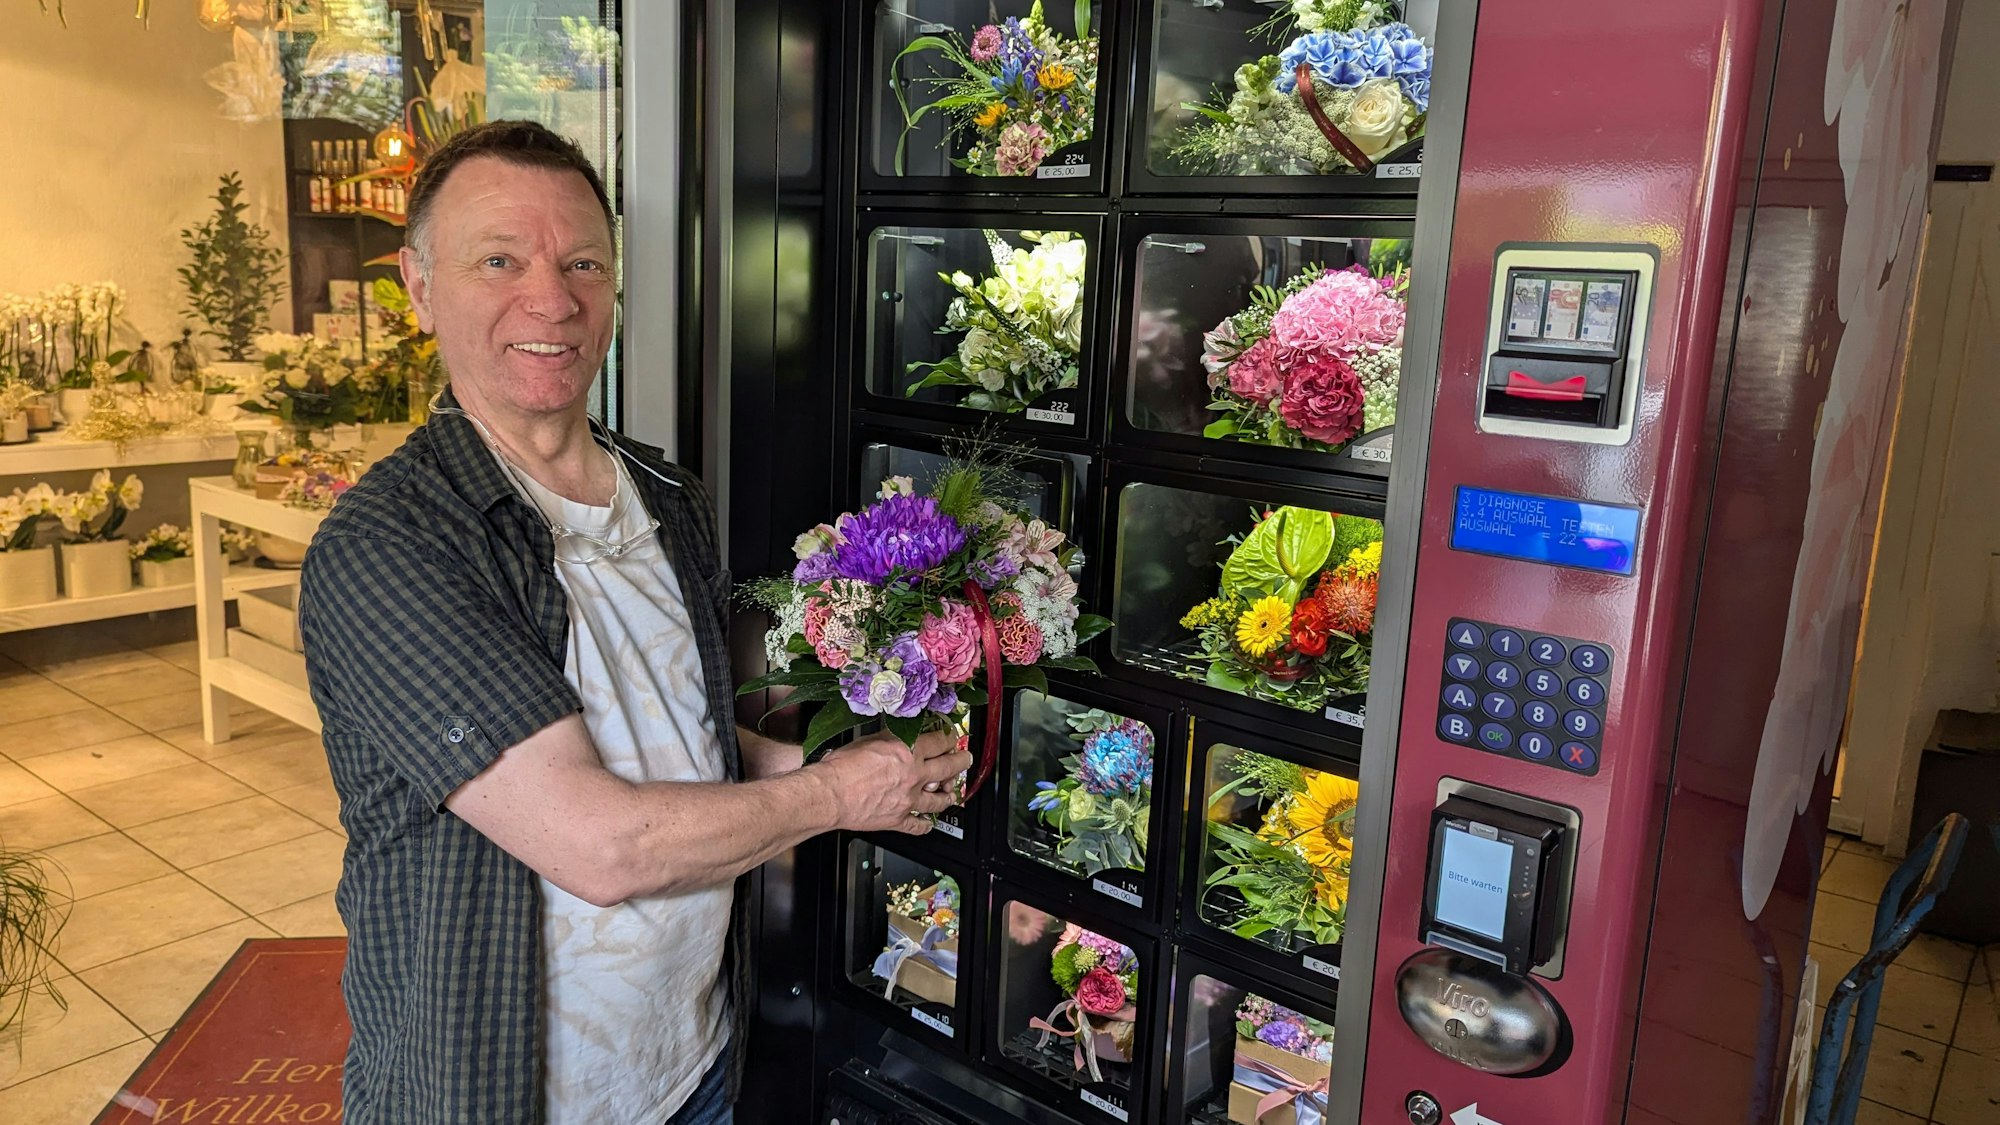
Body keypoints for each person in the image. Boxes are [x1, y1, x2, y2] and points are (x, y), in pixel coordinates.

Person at [298, 120, 968, 1125]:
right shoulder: (390, 544)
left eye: (582, 263)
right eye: (498, 261)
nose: (551, 299)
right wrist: (835, 793)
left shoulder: (663, 491)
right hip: (502, 1095)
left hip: (690, 1062)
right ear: (420, 285)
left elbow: (677, 731)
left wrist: (835, 758)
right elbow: (597, 845)